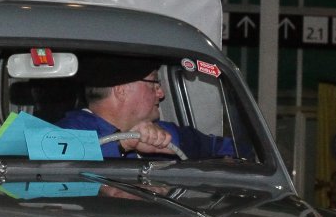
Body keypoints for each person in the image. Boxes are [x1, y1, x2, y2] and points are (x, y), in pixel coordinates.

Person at [58, 57, 238, 160]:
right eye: (154, 83)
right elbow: (54, 160)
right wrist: (123, 144)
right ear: (121, 90)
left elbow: (221, 148)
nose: (161, 93)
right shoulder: (66, 133)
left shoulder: (161, 132)